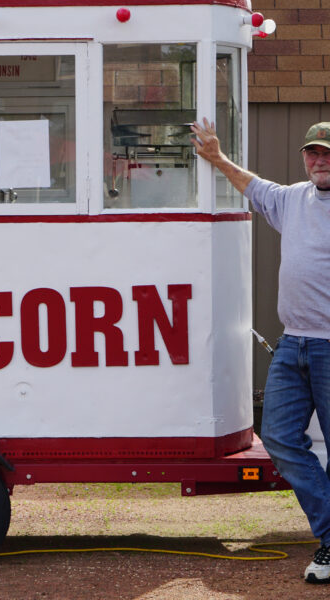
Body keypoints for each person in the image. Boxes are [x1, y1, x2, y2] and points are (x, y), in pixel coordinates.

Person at [191, 119, 330, 584]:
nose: (319, 160)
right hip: (294, 342)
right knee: (279, 438)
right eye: (313, 153)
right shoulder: (293, 199)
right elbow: (251, 185)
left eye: (327, 153)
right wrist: (215, 156)